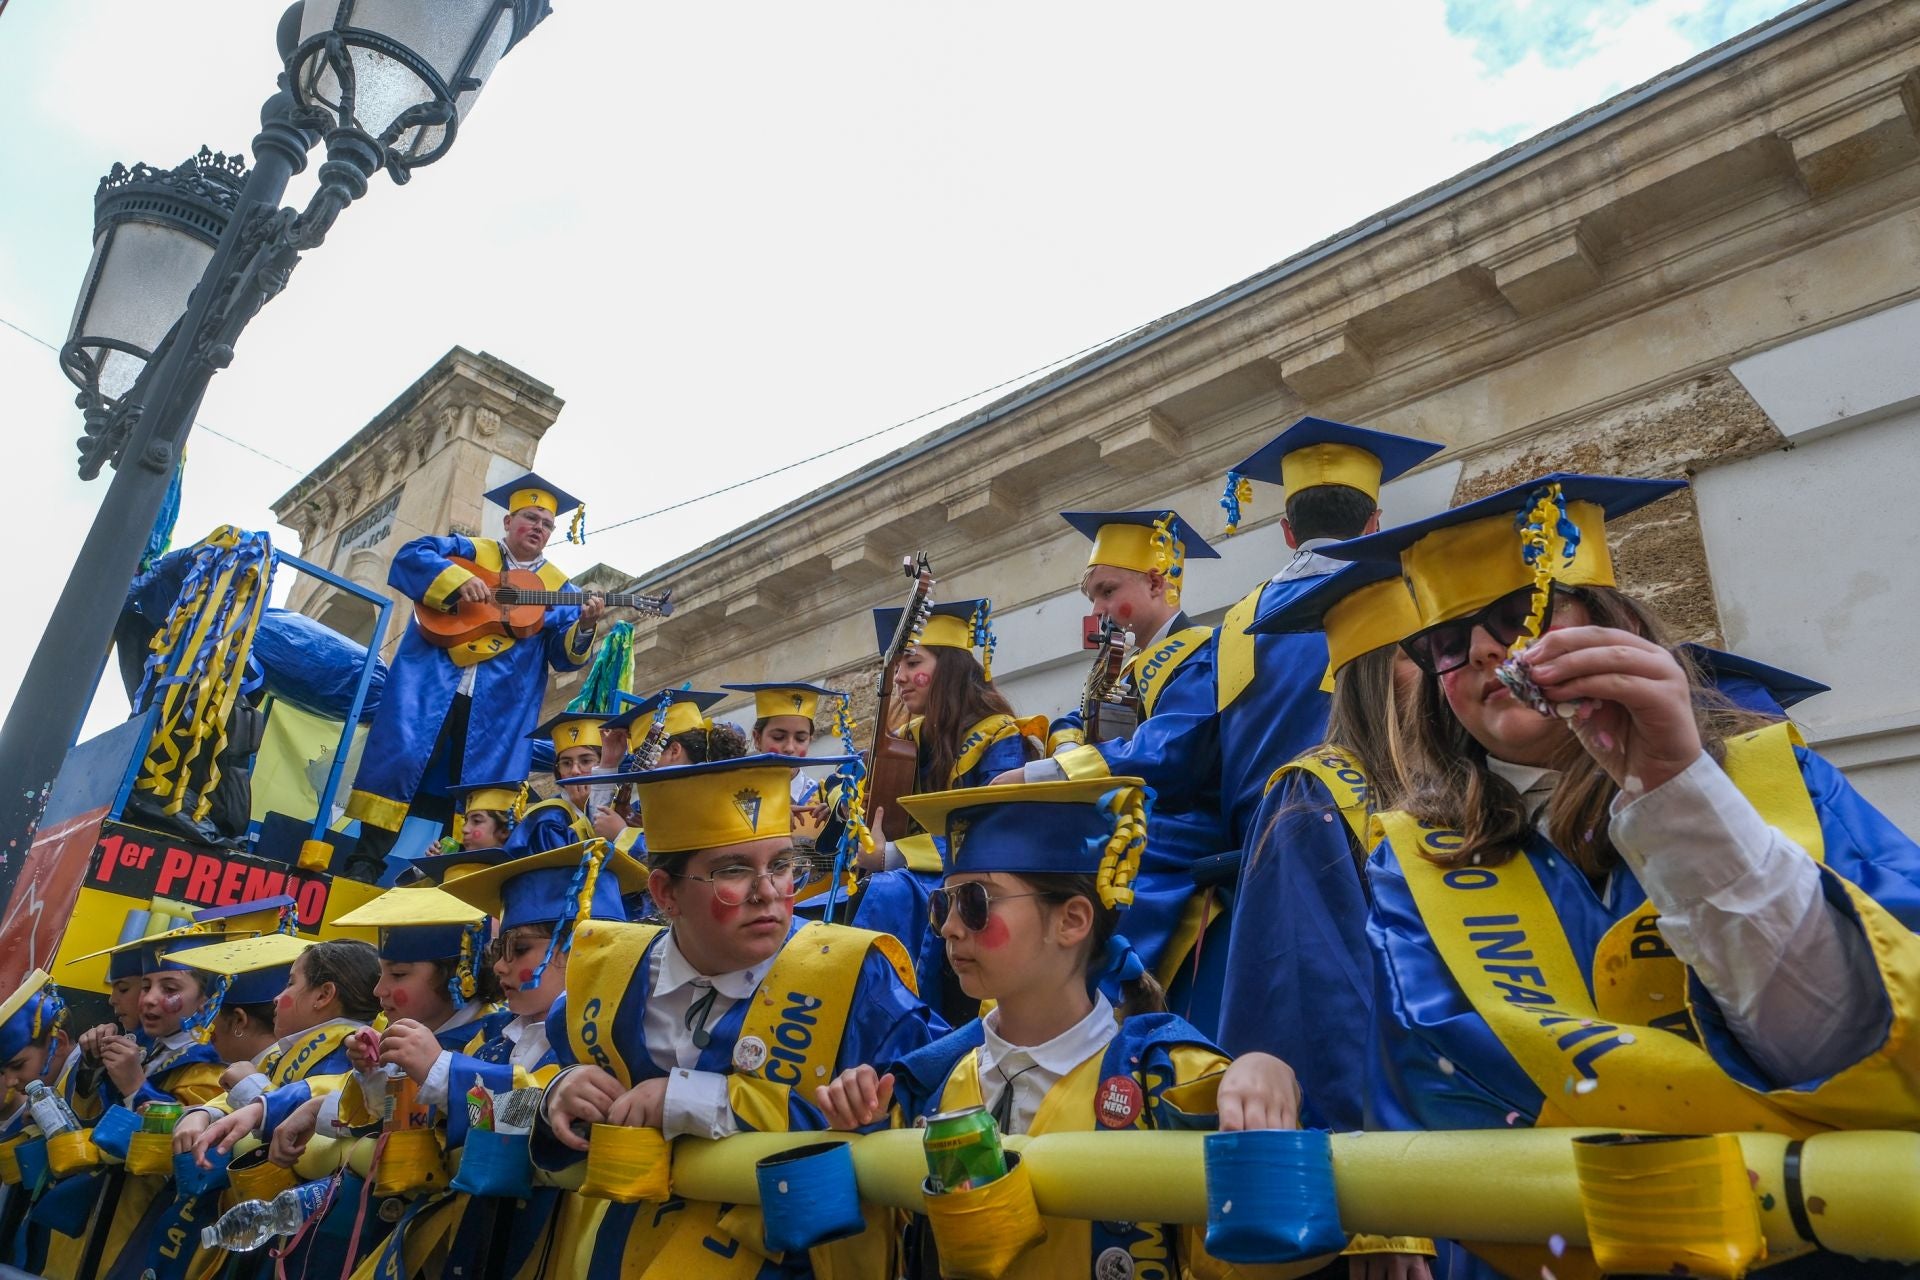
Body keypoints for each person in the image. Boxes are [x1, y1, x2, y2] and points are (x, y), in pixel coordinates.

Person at [1329, 473, 1920, 1279]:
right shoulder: (1416, 864)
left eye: (1517, 615)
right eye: (1445, 642)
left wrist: (1678, 793)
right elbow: (1446, 1098)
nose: (1482, 651)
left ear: (1610, 622)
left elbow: (1872, 1044)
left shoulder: (1779, 784)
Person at [814, 776, 1306, 1280]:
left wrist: (1265, 1075)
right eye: (943, 903)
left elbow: (1250, 1266)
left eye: (976, 902)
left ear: (1071, 921)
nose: (948, 927)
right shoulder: (922, 1089)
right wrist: (860, 1145)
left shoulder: (1175, 1083)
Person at [532, 753, 945, 1279]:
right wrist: (556, 1093)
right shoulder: (605, 979)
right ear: (665, 893)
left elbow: (923, 1104)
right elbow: (523, 1092)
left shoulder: (856, 977)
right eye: (732, 871)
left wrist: (692, 1101)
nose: (768, 893)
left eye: (781, 865)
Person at [1218, 561, 1440, 1278]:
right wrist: (1382, 1211)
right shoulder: (1317, 800)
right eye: (1419, 655)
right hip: (1402, 1168)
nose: (1443, 674)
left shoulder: (1458, 791)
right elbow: (1322, 1002)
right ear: (1373, 673)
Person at [1003, 508, 1230, 998]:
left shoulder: (1200, 654)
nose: (1097, 611)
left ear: (1156, 583)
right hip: (1132, 816)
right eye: (1092, 598)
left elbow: (1169, 752)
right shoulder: (1126, 668)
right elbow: (1075, 724)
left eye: (1108, 592)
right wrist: (1065, 745)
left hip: (1178, 825)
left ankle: (1094, 1003)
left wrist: (1047, 773)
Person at [343, 472, 606, 882]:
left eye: (547, 524)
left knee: (478, 784)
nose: (538, 527)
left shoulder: (560, 589)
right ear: (508, 522)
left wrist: (586, 625)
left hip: (500, 706)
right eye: (530, 517)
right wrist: (460, 579)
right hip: (429, 687)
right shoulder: (469, 552)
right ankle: (364, 863)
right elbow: (410, 557)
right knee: (403, 761)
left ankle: (453, 871)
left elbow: (564, 657)